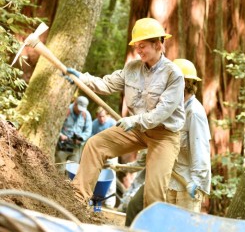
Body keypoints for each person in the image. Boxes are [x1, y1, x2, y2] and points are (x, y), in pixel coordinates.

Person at [65, 17, 185, 207]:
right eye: (137, 46)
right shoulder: (132, 68)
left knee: (153, 191)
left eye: (143, 45)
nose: (138, 50)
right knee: (95, 145)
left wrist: (135, 120)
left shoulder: (174, 75)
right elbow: (106, 84)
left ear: (157, 44)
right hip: (137, 130)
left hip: (164, 135)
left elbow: (163, 112)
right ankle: (76, 202)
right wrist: (83, 79)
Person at [125, 59, 212, 226]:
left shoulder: (194, 113)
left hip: (187, 184)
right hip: (168, 177)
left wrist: (197, 181)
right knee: (144, 212)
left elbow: (201, 150)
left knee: (181, 227)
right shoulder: (168, 108)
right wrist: (140, 161)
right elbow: (157, 139)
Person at [55, 96, 92, 173]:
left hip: (76, 148)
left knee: (72, 172)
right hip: (63, 146)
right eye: (79, 108)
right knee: (59, 170)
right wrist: (61, 135)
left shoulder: (86, 115)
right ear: (75, 103)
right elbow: (56, 126)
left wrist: (81, 138)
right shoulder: (66, 110)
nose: (80, 111)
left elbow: (88, 131)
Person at [92, 107, 117, 209]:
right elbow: (92, 138)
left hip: (112, 153)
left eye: (103, 116)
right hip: (99, 154)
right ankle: (97, 202)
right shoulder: (94, 124)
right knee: (98, 177)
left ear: (107, 115)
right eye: (99, 117)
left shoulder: (112, 123)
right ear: (97, 116)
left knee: (110, 176)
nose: (101, 119)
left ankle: (110, 204)